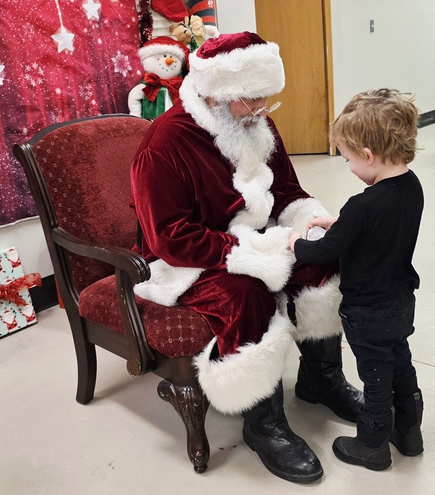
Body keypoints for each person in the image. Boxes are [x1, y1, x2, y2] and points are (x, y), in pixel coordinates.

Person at [130, 31, 363, 484]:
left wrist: (310, 223)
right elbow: (168, 238)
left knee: (323, 261)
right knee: (245, 293)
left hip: (254, 238)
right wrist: (249, 253)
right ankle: (263, 423)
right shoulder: (165, 143)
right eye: (252, 99)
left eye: (266, 98)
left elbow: (288, 190)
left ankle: (322, 380)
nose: (262, 109)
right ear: (217, 93)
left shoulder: (255, 123)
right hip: (186, 261)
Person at [289, 89, 424, 471]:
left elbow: (322, 252)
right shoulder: (412, 186)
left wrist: (295, 242)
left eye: (348, 158)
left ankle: (372, 446)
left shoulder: (361, 205)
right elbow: (380, 229)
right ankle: (409, 434)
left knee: (376, 380)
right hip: (401, 302)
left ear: (368, 155)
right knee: (401, 364)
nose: (348, 166)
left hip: (368, 311)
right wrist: (341, 224)